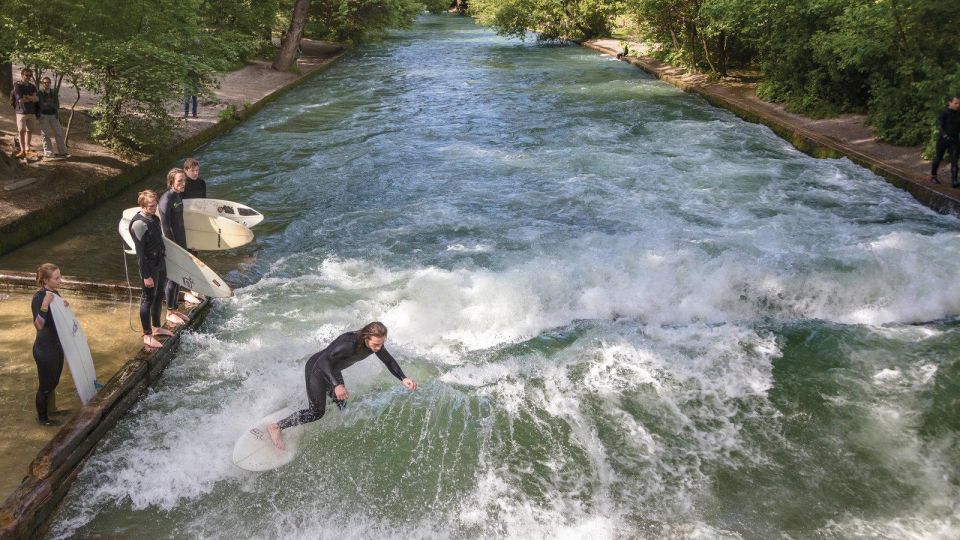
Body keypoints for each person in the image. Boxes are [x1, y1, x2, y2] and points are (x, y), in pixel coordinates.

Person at [267, 322, 418, 450]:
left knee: (341, 403)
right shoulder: (348, 344)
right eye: (376, 345)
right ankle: (277, 427)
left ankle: (317, 399)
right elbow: (323, 361)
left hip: (333, 369)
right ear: (366, 337)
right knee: (317, 412)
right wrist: (336, 384)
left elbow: (389, 361)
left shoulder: (374, 345)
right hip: (318, 368)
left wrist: (403, 378)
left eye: (381, 344)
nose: (379, 348)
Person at [129, 190, 174, 349]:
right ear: (142, 205)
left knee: (159, 294)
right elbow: (140, 255)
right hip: (148, 266)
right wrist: (146, 276)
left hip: (159, 262)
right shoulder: (139, 224)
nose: (154, 208)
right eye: (151, 206)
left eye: (155, 205)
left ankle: (156, 327)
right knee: (147, 299)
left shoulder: (154, 218)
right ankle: (147, 335)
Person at [31, 263, 67, 426]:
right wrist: (45, 304)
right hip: (45, 349)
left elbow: (57, 318)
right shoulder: (39, 297)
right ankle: (43, 419)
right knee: (45, 386)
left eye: (60, 276)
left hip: (56, 346)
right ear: (46, 280)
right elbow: (38, 325)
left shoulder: (55, 293)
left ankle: (52, 410)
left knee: (54, 382)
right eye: (57, 278)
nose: (60, 280)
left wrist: (62, 305)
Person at [158, 168, 191, 325]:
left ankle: (174, 308)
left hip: (181, 241)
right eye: (180, 181)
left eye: (184, 180)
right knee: (173, 277)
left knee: (178, 277)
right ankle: (169, 312)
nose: (183, 183)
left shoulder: (177, 195)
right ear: (171, 182)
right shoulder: (166, 199)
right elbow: (166, 228)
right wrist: (174, 248)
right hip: (173, 244)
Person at [931, 95, 960, 188]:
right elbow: (940, 125)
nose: (958, 105)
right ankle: (933, 176)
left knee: (954, 160)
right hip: (943, 140)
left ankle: (954, 181)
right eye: (956, 103)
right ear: (950, 103)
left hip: (954, 140)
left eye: (959, 103)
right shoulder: (944, 113)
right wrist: (944, 135)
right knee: (938, 158)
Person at [37, 76, 69, 158]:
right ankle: (48, 152)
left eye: (48, 82)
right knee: (45, 134)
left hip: (54, 115)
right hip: (44, 115)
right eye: (45, 82)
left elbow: (57, 105)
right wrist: (50, 105)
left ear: (50, 83)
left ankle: (63, 152)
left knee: (58, 133)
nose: (46, 84)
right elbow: (41, 104)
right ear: (42, 84)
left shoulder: (54, 92)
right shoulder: (40, 93)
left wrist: (48, 105)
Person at [12, 68, 40, 159]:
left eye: (29, 75)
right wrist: (31, 98)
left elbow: (36, 99)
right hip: (21, 112)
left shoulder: (32, 86)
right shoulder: (17, 85)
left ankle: (27, 149)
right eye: (26, 75)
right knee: (21, 131)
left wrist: (27, 97)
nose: (28, 77)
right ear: (22, 75)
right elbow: (20, 100)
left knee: (29, 131)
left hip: (31, 112)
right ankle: (22, 150)